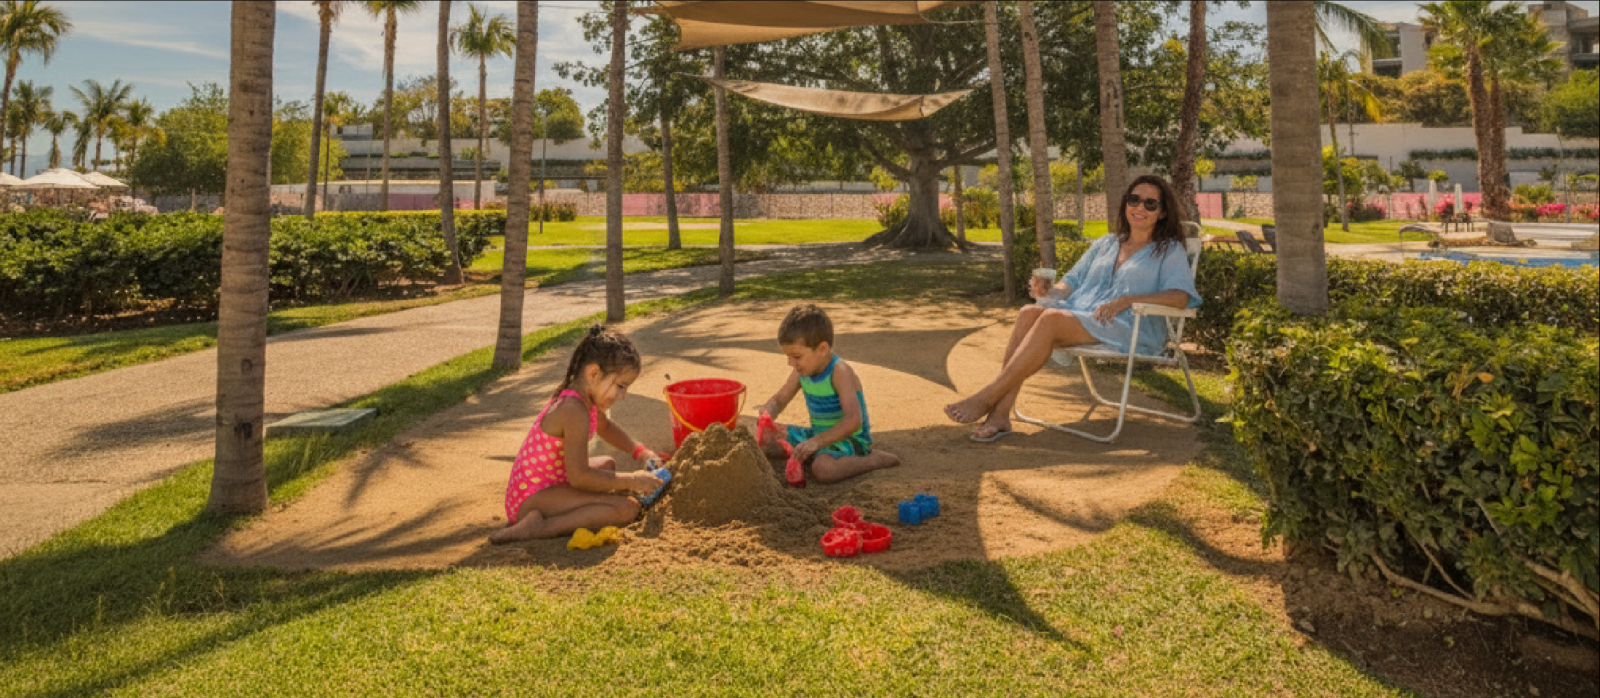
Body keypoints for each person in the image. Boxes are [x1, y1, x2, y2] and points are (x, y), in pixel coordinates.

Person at [946, 174, 1201, 441]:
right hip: (1088, 317)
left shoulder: (1168, 250)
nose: (1140, 207)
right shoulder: (1106, 243)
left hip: (1132, 327)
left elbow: (1180, 297)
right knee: (1029, 312)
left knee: (1051, 319)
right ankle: (999, 415)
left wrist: (1127, 300)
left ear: (1162, 213)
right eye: (1134, 199)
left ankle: (988, 397)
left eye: (1150, 204)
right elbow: (1072, 282)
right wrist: (1048, 291)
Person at [489, 325, 665, 543]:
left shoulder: (585, 401)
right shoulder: (573, 410)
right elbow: (580, 477)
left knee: (608, 464)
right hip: (532, 498)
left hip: (551, 483)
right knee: (627, 509)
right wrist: (633, 480)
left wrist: (641, 452)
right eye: (620, 386)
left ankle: (583, 507)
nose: (622, 396)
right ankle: (541, 527)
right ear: (593, 374)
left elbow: (606, 427)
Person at [757, 305, 900, 483]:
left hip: (849, 440)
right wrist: (766, 416)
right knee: (769, 440)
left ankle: (873, 459)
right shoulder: (801, 371)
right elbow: (779, 400)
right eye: (789, 357)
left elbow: (854, 420)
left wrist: (817, 442)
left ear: (822, 349)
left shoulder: (839, 371)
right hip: (819, 435)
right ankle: (814, 453)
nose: (790, 362)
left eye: (797, 357)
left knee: (823, 469)